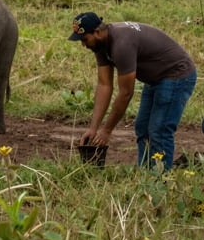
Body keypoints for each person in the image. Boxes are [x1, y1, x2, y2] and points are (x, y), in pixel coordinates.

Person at [70, 12, 196, 170]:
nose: (83, 45)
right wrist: (94, 129)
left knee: (159, 130)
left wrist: (107, 131)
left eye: (84, 39)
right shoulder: (100, 45)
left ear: (97, 32)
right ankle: (145, 176)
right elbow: (104, 86)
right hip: (155, 79)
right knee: (142, 128)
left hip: (177, 75)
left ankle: (161, 181)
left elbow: (126, 93)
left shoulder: (121, 45)